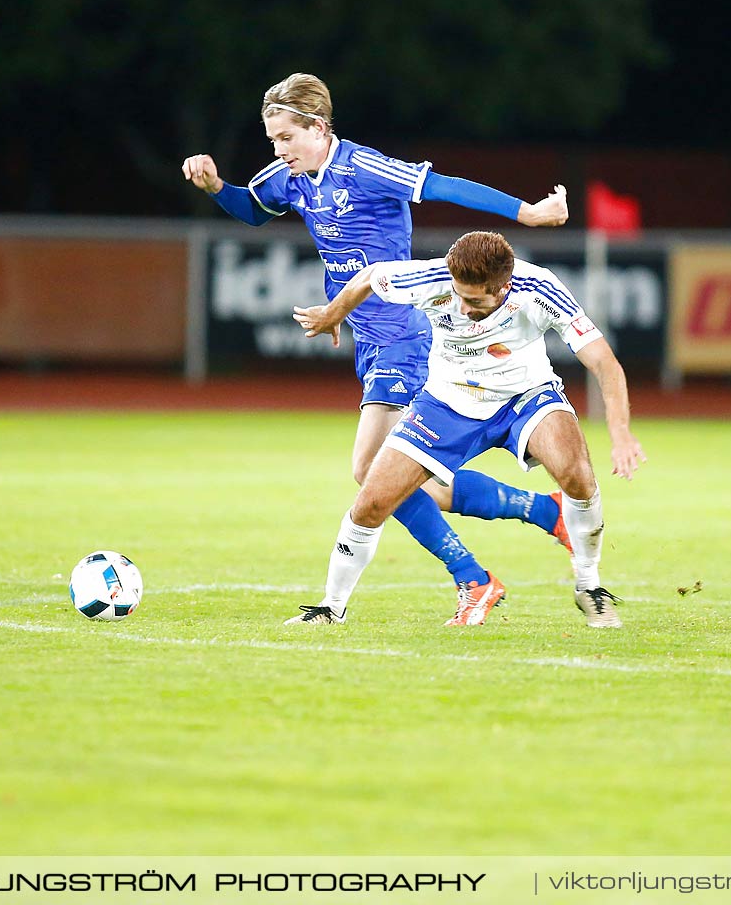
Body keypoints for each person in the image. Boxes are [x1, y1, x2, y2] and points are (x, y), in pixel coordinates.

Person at [182, 73, 574, 625]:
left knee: (372, 468)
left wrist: (527, 213)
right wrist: (216, 188)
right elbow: (253, 207)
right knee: (414, 480)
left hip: (407, 335)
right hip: (370, 339)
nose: (278, 150)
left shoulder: (362, 167)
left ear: (318, 128)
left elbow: (444, 187)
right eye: (273, 140)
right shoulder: (290, 178)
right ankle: (542, 511)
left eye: (286, 138)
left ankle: (473, 579)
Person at [289, 230, 645, 627]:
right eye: (458, 295)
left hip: (524, 397)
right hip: (447, 403)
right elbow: (369, 276)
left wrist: (621, 433)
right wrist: (332, 314)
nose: (461, 305)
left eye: (473, 300)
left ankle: (589, 586)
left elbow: (604, 363)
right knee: (372, 500)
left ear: (503, 288)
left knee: (577, 476)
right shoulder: (432, 278)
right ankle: (330, 608)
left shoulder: (539, 288)